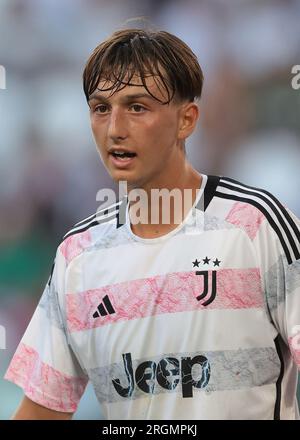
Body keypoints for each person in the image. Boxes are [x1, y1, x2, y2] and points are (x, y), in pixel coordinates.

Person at [5, 28, 300, 420]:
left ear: (186, 119)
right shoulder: (78, 256)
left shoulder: (257, 226)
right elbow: (41, 410)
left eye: (137, 107)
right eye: (101, 108)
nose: (115, 129)